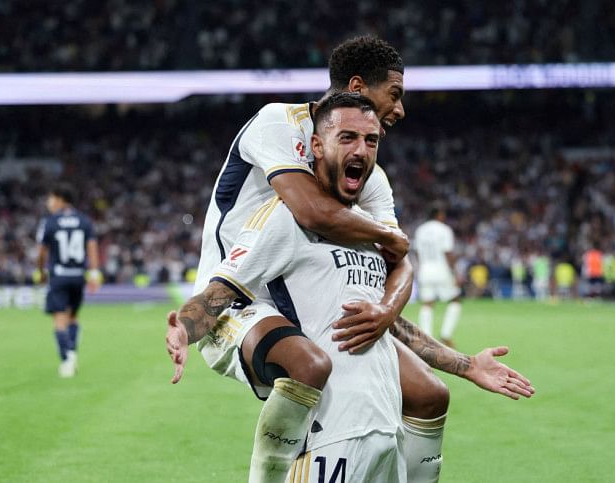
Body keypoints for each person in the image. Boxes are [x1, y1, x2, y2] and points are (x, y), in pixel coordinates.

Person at [176, 36, 533, 482]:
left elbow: (399, 264)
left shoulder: (371, 178)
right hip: (238, 299)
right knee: (308, 365)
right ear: (358, 88)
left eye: (368, 140)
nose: (400, 110)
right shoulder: (278, 123)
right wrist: (389, 236)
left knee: (428, 394)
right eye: (395, 95)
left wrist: (388, 311)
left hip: (311, 290)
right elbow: (313, 212)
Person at [35, 184, 101, 377]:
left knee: (59, 319)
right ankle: (72, 352)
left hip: (59, 275)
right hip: (78, 275)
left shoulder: (50, 222)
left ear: (59, 199)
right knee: (73, 317)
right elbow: (92, 248)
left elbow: (42, 252)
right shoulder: (84, 220)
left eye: (50, 198)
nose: (48, 203)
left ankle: (67, 359)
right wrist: (94, 274)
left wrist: (41, 271)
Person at [413, 205, 463, 347]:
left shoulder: (420, 230)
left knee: (427, 303)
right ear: (439, 214)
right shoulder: (444, 229)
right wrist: (456, 273)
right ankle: (446, 335)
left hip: (425, 270)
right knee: (455, 300)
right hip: (441, 270)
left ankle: (426, 337)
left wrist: (422, 267)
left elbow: (417, 252)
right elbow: (447, 252)